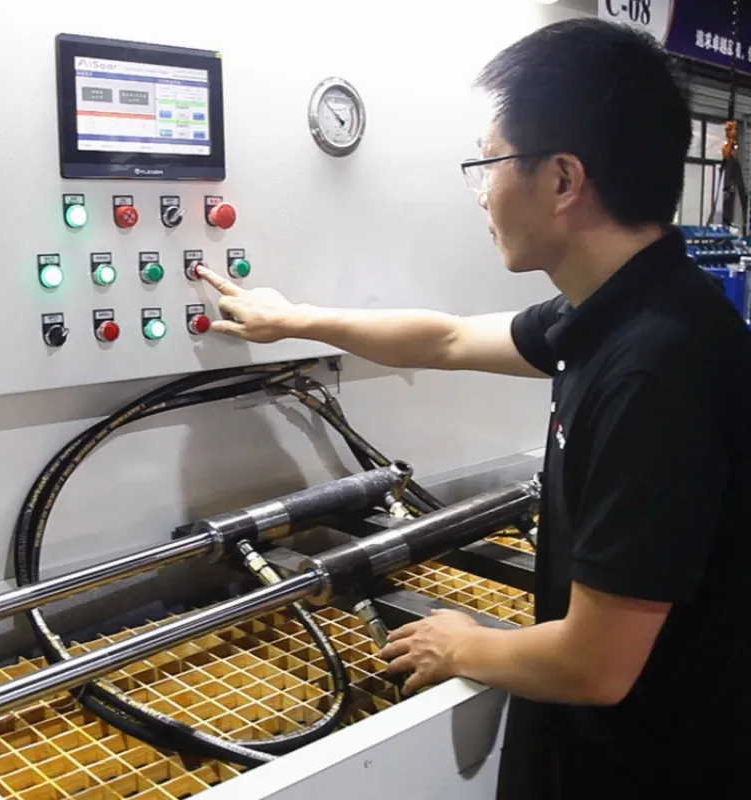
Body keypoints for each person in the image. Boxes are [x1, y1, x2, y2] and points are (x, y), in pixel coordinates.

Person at [196, 17, 751, 799]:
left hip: (657, 765)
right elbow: (449, 338)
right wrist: (292, 320)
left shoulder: (657, 367)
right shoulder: (625, 309)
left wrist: (463, 643)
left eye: (488, 164)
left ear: (562, 180)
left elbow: (595, 665)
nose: (483, 193)